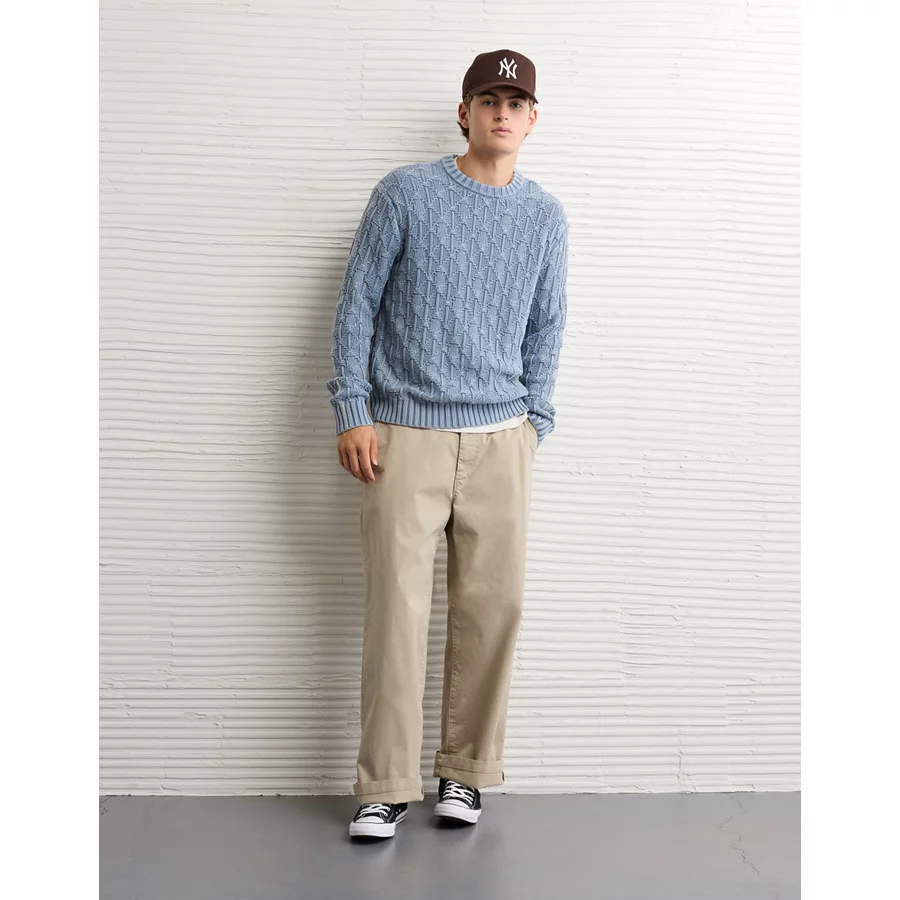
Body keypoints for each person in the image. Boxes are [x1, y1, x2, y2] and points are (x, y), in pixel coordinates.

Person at [326, 48, 569, 840]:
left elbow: (547, 326)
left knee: (493, 609)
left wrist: (534, 423)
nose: (502, 111)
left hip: (503, 438)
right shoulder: (405, 194)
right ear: (464, 113)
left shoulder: (545, 217)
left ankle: (464, 773)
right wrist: (352, 407)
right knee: (396, 610)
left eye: (515, 102)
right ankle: (384, 786)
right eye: (487, 99)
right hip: (404, 434)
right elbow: (357, 303)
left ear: (533, 120)